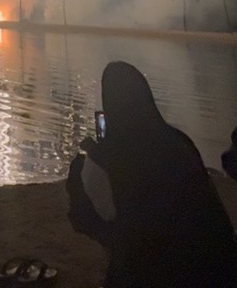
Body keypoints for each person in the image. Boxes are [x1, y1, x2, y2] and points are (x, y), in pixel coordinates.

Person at [67, 61, 237, 287]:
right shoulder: (179, 140)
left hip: (155, 273)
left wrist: (84, 167)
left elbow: (100, 215)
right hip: (220, 266)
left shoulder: (106, 158)